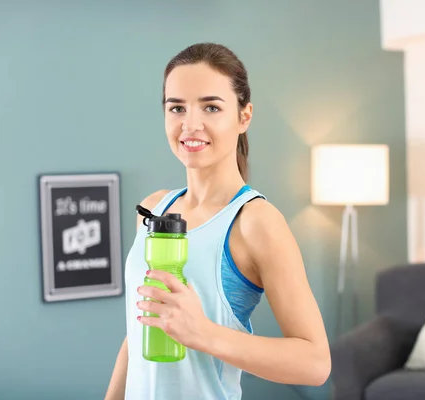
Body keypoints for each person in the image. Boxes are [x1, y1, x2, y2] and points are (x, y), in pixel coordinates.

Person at [104, 42, 331, 400]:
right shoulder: (153, 210)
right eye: (176, 107)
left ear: (244, 116)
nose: (190, 124)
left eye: (211, 107)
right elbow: (140, 330)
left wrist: (203, 333)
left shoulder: (255, 222)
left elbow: (315, 364)